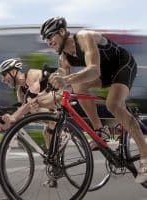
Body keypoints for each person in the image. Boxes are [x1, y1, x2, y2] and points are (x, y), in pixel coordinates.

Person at [40, 16, 147, 183]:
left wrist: (66, 80)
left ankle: (145, 158)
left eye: (50, 37)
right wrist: (38, 101)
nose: (48, 42)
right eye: (46, 39)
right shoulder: (63, 58)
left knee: (113, 104)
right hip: (106, 73)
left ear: (62, 32)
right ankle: (100, 131)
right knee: (78, 87)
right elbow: (64, 90)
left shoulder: (84, 37)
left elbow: (94, 71)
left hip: (122, 65)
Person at [0, 58, 60, 149]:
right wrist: (5, 123)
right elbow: (21, 113)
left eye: (4, 75)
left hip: (61, 92)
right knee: (46, 133)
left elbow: (31, 101)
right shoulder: (20, 91)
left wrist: (13, 117)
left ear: (13, 72)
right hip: (50, 103)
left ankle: (56, 126)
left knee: (34, 103)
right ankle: (55, 158)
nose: (2, 80)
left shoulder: (31, 74)